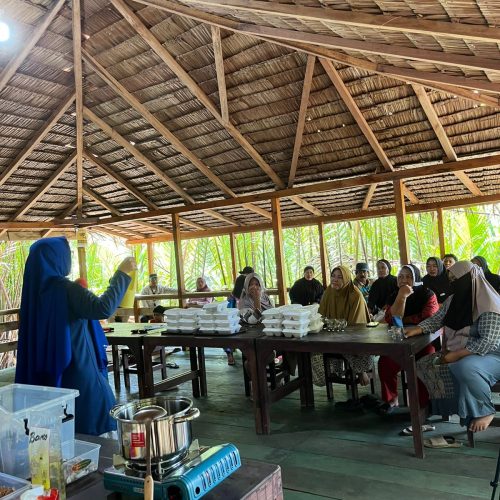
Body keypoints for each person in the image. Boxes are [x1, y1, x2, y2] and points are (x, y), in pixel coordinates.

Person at [15, 237, 135, 435]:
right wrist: (121, 274)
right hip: (81, 373)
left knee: (62, 435)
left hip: (48, 378)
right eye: (67, 254)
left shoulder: (32, 296)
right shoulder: (66, 289)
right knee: (98, 425)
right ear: (57, 258)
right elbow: (103, 308)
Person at [411, 261, 500, 433]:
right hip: (467, 352)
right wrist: (418, 329)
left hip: (493, 354)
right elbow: (437, 319)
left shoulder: (489, 304)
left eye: (456, 279)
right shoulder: (453, 300)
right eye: (450, 279)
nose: (452, 283)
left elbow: (489, 341)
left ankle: (486, 411)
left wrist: (458, 354)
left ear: (469, 279)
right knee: (424, 364)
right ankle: (447, 408)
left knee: (465, 367)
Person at [377, 264, 439, 414]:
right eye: (400, 277)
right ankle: (391, 400)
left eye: (408, 277)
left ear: (416, 278)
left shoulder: (427, 294)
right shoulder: (394, 295)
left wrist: (404, 320)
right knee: (385, 363)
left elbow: (429, 318)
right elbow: (391, 319)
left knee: (423, 363)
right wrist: (402, 297)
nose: (403, 280)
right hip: (400, 342)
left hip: (424, 342)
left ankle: (423, 404)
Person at [312, 266, 372, 388]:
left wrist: (336, 328)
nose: (335, 279)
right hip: (331, 334)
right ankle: (330, 374)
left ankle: (360, 371)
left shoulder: (355, 295)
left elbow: (357, 325)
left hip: (352, 336)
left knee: (350, 346)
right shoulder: (328, 292)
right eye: (333, 276)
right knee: (314, 351)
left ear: (346, 279)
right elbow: (320, 316)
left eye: (340, 277)